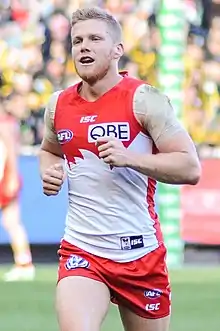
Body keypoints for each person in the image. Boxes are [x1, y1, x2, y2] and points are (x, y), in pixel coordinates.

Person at [39, 7, 201, 331]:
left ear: (117, 50)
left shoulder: (144, 100)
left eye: (95, 39)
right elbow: (49, 150)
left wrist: (131, 158)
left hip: (140, 254)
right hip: (83, 248)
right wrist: (51, 171)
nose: (83, 46)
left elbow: (190, 166)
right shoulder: (58, 105)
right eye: (77, 41)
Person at [0, 104, 35, 282]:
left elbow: (11, 151)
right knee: (11, 222)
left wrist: (12, 176)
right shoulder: (7, 121)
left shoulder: (4, 123)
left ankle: (25, 264)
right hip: (6, 175)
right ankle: (24, 263)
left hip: (4, 177)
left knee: (12, 222)